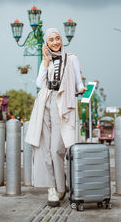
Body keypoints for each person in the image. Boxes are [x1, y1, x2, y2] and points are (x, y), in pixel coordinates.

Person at [25, 28, 87, 207]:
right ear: (46, 43)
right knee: (43, 147)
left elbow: (78, 81)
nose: (55, 42)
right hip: (45, 101)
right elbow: (38, 83)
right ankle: (51, 188)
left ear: (62, 40)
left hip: (62, 101)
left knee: (56, 148)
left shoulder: (72, 58)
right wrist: (45, 62)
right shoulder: (46, 60)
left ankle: (61, 186)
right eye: (51, 39)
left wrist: (82, 88)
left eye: (57, 38)